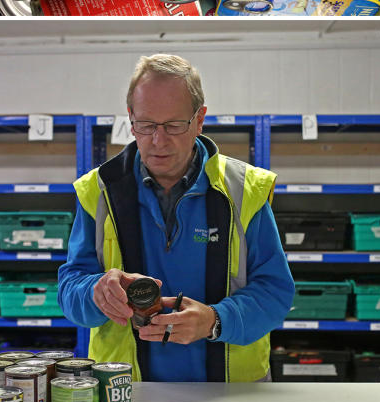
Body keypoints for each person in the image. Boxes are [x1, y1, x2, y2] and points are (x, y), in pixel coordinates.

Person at [57, 54, 295, 382]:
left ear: (199, 120)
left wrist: (215, 320)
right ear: (131, 119)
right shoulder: (99, 191)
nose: (158, 141)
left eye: (173, 126)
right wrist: (95, 292)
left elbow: (275, 290)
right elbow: (70, 286)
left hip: (231, 393)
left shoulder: (244, 191)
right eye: (146, 125)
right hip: (125, 391)